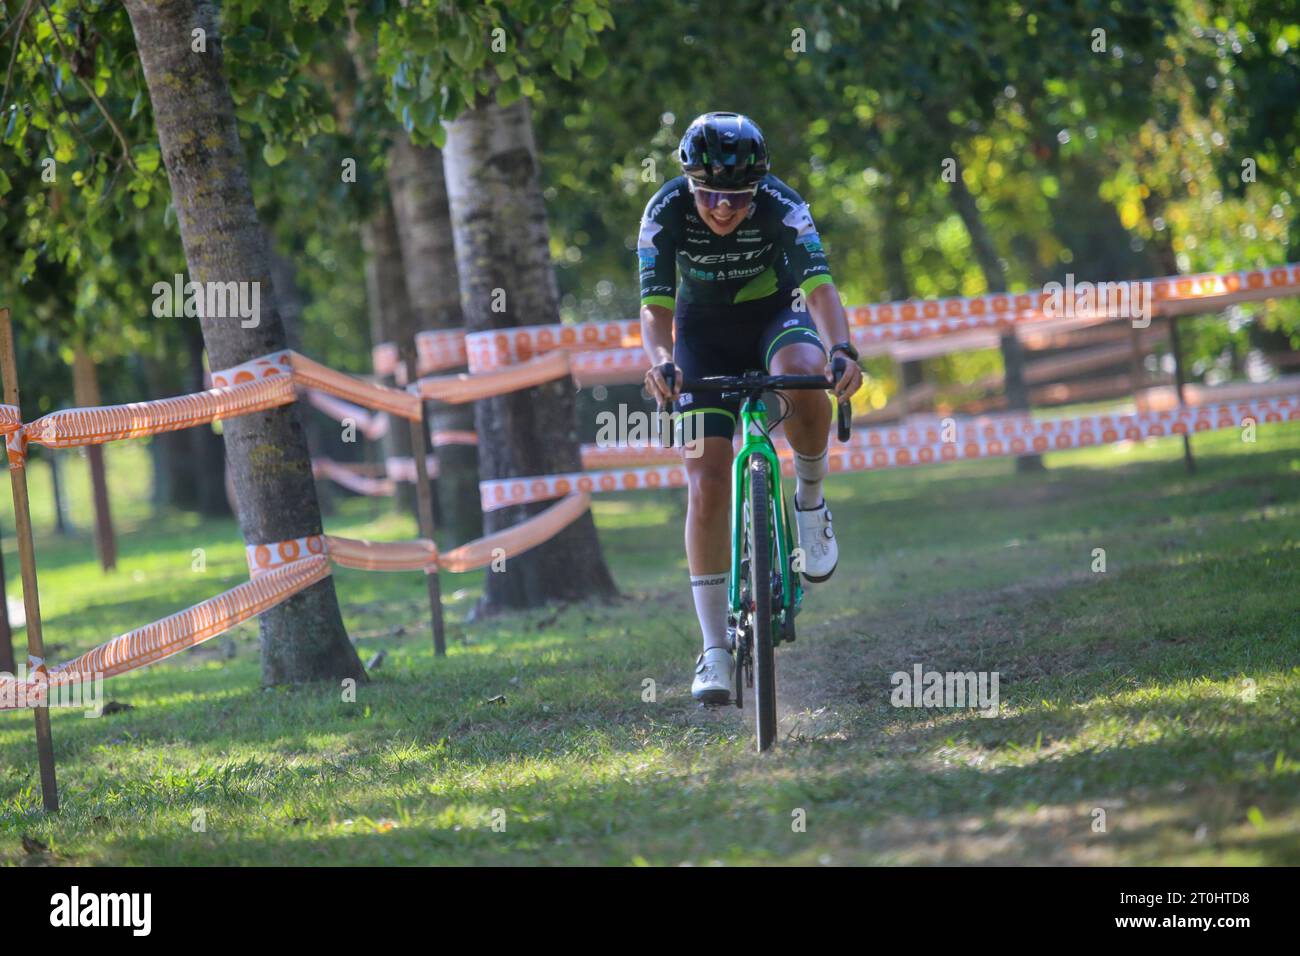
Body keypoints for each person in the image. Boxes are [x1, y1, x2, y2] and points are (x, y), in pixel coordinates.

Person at [638, 111, 863, 704]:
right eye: (708, 194)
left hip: (775, 316)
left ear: (757, 187)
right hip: (700, 334)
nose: (721, 208)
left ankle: (810, 501)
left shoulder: (783, 205)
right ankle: (713, 648)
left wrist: (842, 349)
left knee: (805, 374)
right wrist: (662, 361)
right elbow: (655, 309)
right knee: (706, 481)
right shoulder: (665, 212)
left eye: (737, 197)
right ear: (689, 182)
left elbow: (819, 288)